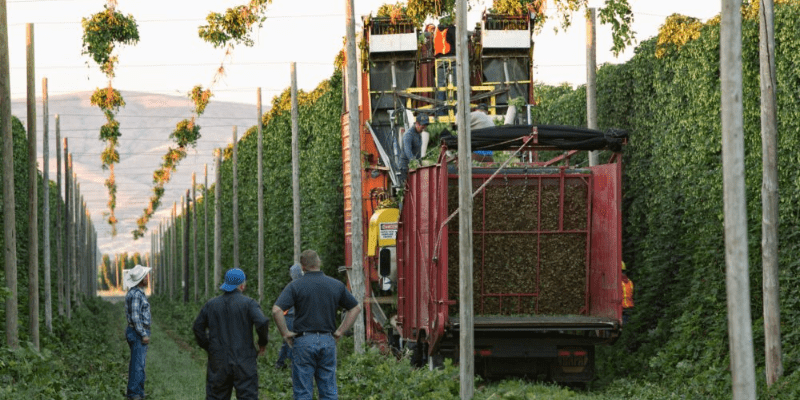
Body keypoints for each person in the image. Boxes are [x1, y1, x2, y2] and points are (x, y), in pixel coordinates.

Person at [272, 250, 362, 400]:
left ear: (302, 266)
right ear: (319, 262)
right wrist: (340, 331)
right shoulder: (335, 285)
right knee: (328, 390)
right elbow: (355, 308)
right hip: (328, 340)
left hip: (303, 340)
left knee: (303, 392)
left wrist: (285, 333)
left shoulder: (295, 286)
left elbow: (276, 311)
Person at [193, 268, 270, 400]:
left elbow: (197, 327)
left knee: (216, 396)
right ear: (242, 285)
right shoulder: (249, 303)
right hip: (244, 359)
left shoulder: (211, 304)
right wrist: (262, 343)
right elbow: (262, 322)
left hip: (218, 360)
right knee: (248, 396)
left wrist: (208, 346)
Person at [124, 264, 152, 400]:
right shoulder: (136, 294)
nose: (148, 277)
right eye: (146, 276)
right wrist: (143, 333)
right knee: (138, 365)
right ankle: (134, 393)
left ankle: (139, 392)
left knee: (139, 363)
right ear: (141, 279)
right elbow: (135, 317)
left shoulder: (136, 292)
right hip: (137, 332)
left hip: (135, 331)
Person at [275, 263, 304, 370]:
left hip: (289, 317)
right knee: (293, 341)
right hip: (293, 317)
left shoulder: (291, 287)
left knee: (288, 341)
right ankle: (291, 364)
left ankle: (281, 363)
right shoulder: (302, 286)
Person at [399, 113, 430, 187]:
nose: (423, 129)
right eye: (422, 126)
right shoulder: (408, 135)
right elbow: (407, 151)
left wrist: (420, 162)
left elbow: (418, 151)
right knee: (407, 189)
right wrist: (414, 162)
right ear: (417, 123)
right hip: (405, 167)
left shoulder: (418, 133)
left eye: (425, 127)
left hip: (414, 166)